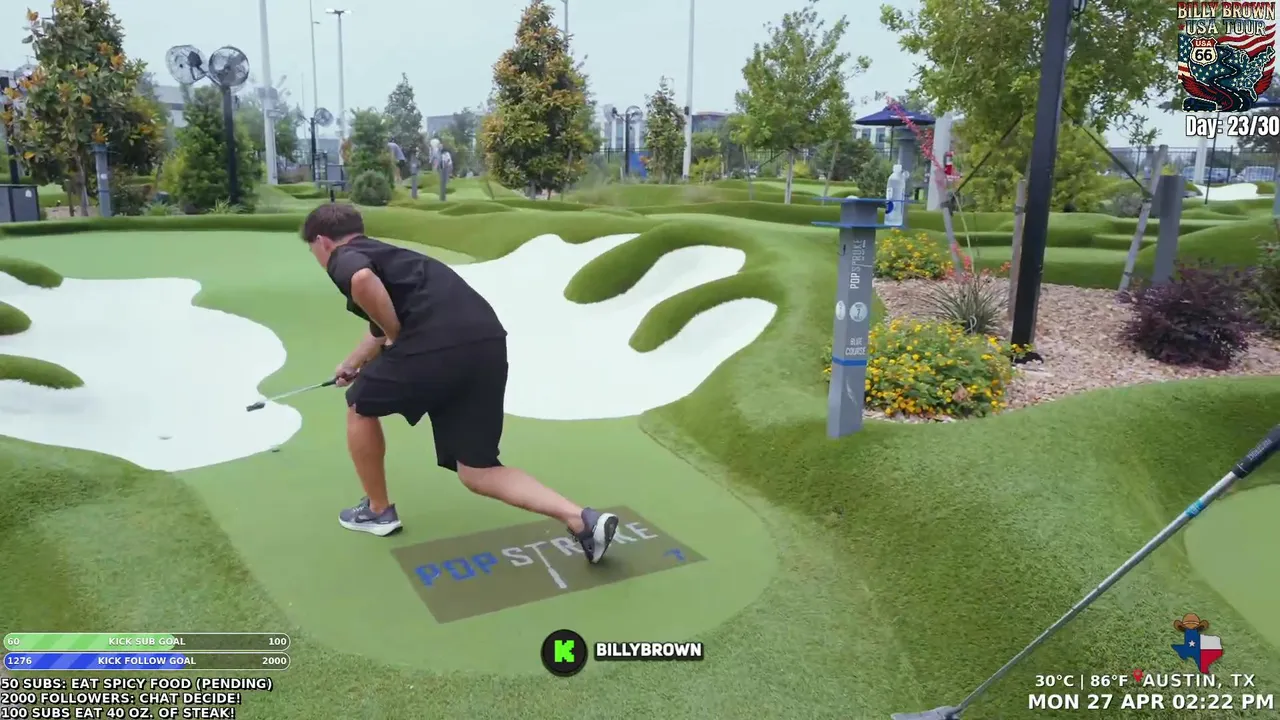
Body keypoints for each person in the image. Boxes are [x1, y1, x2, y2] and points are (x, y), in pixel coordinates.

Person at [299, 203, 619, 563]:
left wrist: (396, 335)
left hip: (435, 343)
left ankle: (378, 510)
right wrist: (352, 363)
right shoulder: (393, 258)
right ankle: (583, 520)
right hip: (486, 343)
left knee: (359, 406)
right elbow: (379, 325)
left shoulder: (344, 257)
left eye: (313, 250)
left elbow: (361, 281)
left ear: (323, 241)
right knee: (477, 471)